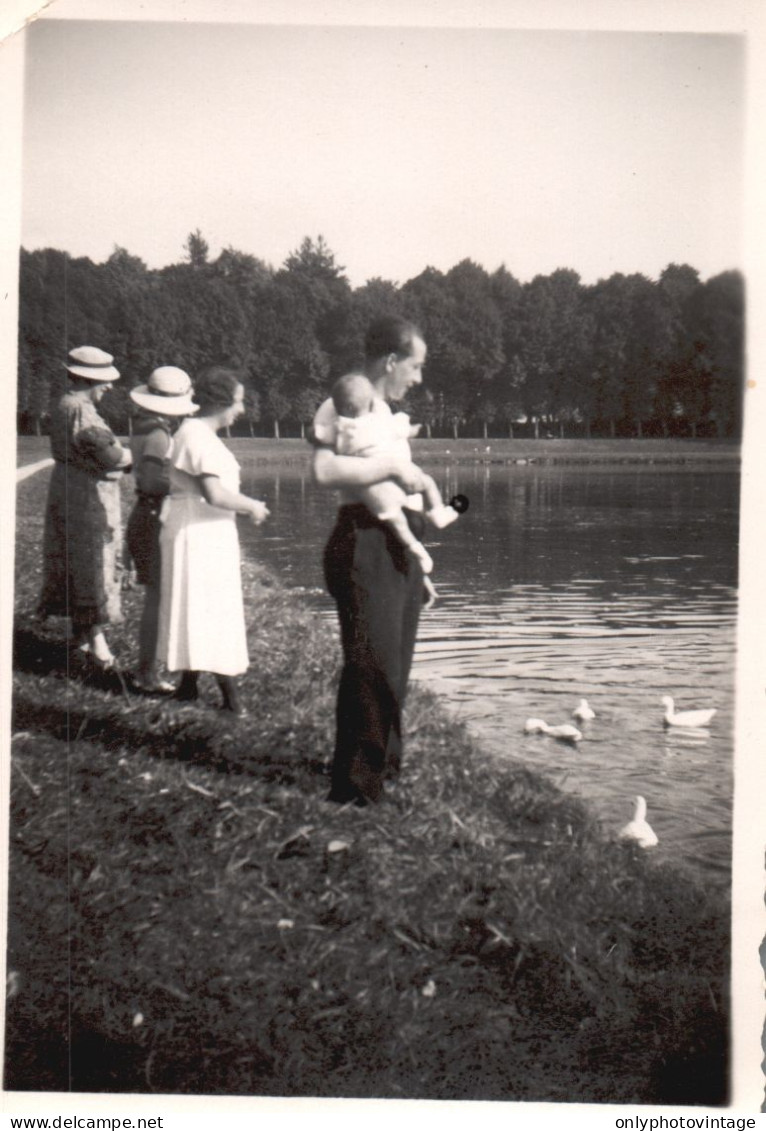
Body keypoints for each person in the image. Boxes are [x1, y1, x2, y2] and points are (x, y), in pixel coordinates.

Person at [311, 315, 437, 805]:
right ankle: (355, 788)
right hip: (365, 538)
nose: (419, 378)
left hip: (397, 540)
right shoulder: (345, 403)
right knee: (372, 664)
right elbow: (323, 470)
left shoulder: (384, 413)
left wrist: (418, 561)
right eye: (416, 365)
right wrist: (393, 467)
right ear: (391, 360)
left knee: (396, 663)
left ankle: (385, 765)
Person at [156, 366, 269, 716]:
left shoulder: (194, 433)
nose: (242, 410)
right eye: (238, 402)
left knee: (197, 605)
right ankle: (232, 701)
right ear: (221, 403)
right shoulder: (198, 437)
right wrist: (253, 506)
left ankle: (188, 687)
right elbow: (214, 494)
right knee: (215, 609)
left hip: (200, 529)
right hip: (199, 531)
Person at [37, 345, 132, 669]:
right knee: (93, 562)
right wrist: (130, 456)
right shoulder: (82, 410)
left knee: (76, 560)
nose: (109, 386)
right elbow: (110, 456)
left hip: (67, 489)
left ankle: (81, 636)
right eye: (104, 381)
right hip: (86, 494)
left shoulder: (65, 403)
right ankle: (98, 643)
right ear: (90, 379)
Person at [326, 371, 459, 582]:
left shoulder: (338, 428)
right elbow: (397, 430)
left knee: (395, 519)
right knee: (427, 482)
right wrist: (411, 429)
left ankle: (417, 550)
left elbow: (323, 439)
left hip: (374, 484)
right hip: (395, 473)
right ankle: (437, 512)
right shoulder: (376, 424)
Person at [126, 367, 198, 694]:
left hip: (144, 512)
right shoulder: (158, 434)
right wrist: (186, 483)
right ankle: (146, 673)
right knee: (157, 599)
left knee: (155, 598)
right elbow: (153, 480)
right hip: (155, 515)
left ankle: (147, 669)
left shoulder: (142, 427)